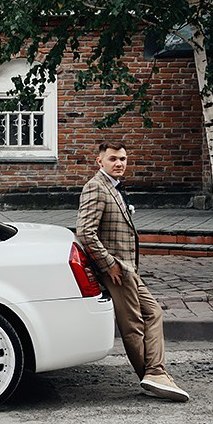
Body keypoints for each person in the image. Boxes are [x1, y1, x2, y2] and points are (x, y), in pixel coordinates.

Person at [76, 141, 190, 402]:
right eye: (113, 159)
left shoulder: (114, 188)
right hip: (116, 270)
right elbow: (85, 232)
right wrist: (109, 264)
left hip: (128, 268)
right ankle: (153, 375)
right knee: (132, 325)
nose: (119, 164)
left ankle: (155, 372)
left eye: (123, 159)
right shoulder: (96, 187)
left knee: (154, 312)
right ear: (100, 161)